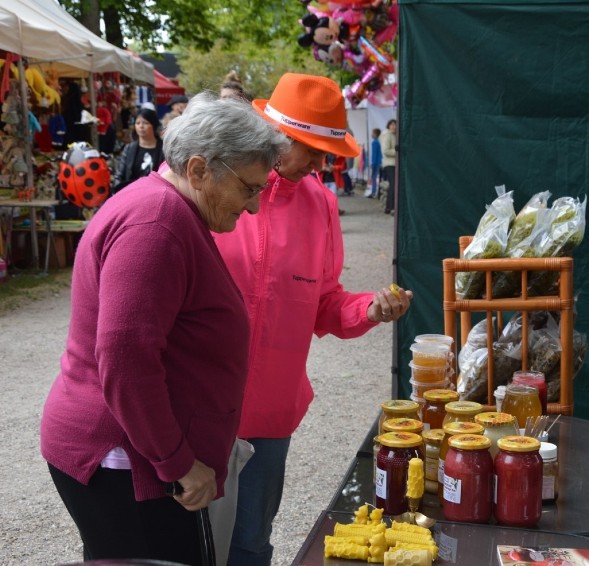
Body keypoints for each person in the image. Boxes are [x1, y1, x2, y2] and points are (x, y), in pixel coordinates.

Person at [40, 92, 289, 564]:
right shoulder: (156, 224)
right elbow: (125, 362)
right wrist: (177, 462)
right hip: (126, 461)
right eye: (248, 188)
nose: (254, 207)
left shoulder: (171, 210)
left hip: (138, 457)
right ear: (198, 170)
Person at [213, 72, 413, 565]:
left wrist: (368, 307)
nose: (324, 164)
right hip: (201, 405)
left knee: (249, 545)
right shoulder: (217, 192)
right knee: (184, 541)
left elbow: (325, 302)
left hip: (270, 415)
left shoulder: (321, 204)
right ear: (279, 139)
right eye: (314, 149)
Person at [112, 108, 164, 193]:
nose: (141, 126)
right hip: (131, 194)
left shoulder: (163, 149)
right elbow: (119, 176)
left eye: (145, 123)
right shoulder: (129, 149)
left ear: (153, 125)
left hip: (155, 193)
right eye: (138, 123)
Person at [379, 118, 397, 214]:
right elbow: (385, 151)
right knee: (393, 184)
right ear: (389, 126)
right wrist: (396, 151)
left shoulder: (396, 135)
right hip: (389, 164)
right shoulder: (387, 136)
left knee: (394, 185)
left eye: (395, 124)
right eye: (392, 124)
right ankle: (390, 207)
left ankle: (389, 207)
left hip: (395, 164)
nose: (394, 126)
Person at [366, 127, 382, 198]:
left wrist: (373, 163)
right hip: (378, 162)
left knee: (374, 177)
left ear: (375, 134)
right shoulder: (378, 142)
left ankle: (373, 192)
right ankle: (375, 192)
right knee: (376, 177)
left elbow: (374, 154)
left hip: (375, 163)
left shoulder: (374, 142)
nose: (371, 134)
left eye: (372, 133)